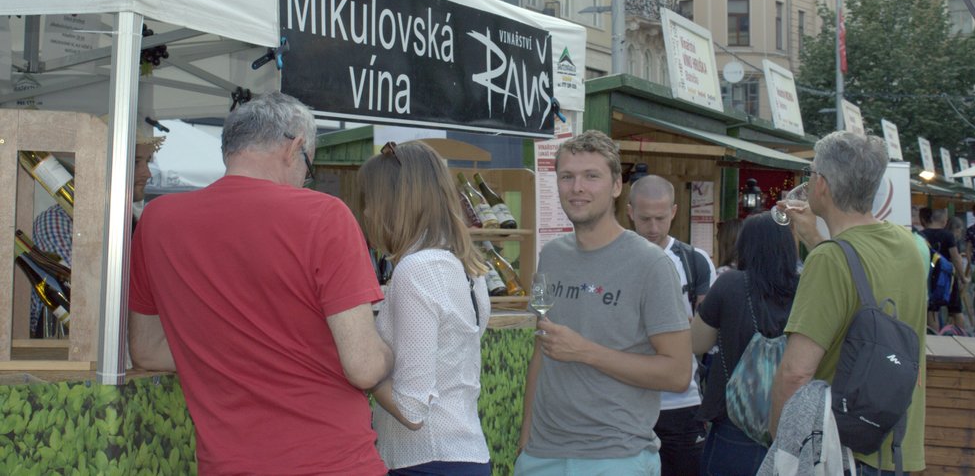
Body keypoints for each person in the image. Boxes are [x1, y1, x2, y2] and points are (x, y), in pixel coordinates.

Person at [128, 92, 393, 475]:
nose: (305, 179)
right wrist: (391, 352)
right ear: (294, 147)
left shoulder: (157, 221)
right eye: (308, 166)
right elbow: (364, 367)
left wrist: (239, 354)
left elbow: (147, 350)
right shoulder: (325, 216)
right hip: (332, 462)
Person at [516, 130, 691, 476]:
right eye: (567, 176)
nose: (577, 187)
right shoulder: (550, 257)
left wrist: (585, 351)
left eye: (591, 176)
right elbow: (542, 350)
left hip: (616, 457)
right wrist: (526, 441)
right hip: (542, 455)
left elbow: (678, 374)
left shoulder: (651, 265)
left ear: (615, 186)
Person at [769, 131, 927, 474]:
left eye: (812, 173)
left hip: (838, 452)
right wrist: (815, 238)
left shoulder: (829, 261)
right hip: (895, 444)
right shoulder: (907, 244)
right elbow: (857, 277)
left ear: (822, 185)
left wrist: (780, 443)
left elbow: (796, 373)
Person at [359, 140, 491, 475]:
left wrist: (364, 369)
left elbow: (412, 410)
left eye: (371, 201)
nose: (367, 213)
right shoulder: (468, 268)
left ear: (397, 203)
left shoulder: (417, 269)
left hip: (425, 461)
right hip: (465, 454)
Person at [30, 122, 163, 337]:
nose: (147, 173)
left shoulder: (126, 219)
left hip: (107, 347)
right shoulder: (57, 220)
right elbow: (79, 298)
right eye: (137, 162)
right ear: (105, 165)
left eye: (147, 162)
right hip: (70, 354)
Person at [691, 213, 799, 475]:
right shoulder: (806, 288)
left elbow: (697, 343)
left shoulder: (730, 284)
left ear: (746, 246)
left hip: (733, 420)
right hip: (791, 424)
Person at [628, 175, 717, 476]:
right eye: (645, 219)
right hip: (625, 403)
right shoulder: (616, 258)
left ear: (674, 212)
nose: (653, 228)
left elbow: (708, 331)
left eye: (661, 218)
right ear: (629, 212)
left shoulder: (695, 261)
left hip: (683, 402)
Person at [921, 207, 970, 332]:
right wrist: (963, 277)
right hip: (947, 278)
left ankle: (935, 340)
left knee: (932, 311)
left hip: (929, 278)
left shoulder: (922, 235)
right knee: (956, 310)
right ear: (944, 220)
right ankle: (961, 338)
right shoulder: (948, 235)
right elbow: (956, 258)